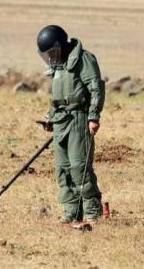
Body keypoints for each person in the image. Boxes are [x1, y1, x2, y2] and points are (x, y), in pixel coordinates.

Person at [36, 25, 104, 223]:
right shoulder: (58, 66)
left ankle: (92, 211)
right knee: (63, 168)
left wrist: (93, 116)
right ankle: (71, 211)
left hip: (79, 120)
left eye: (51, 52)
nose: (49, 57)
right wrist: (50, 117)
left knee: (79, 166)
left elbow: (95, 89)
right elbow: (56, 98)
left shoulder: (84, 59)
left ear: (59, 46)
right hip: (60, 122)